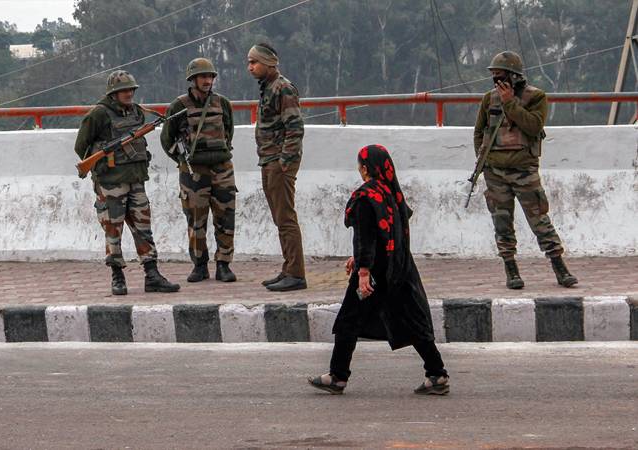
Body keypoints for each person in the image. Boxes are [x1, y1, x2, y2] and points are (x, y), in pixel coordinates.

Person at [308, 144, 449, 396]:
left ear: (366, 168)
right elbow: (387, 234)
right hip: (398, 269)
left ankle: (338, 376)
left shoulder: (366, 197)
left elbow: (366, 236)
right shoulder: (392, 194)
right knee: (412, 321)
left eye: (360, 166)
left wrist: (363, 270)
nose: (360, 170)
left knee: (348, 321)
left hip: (373, 274)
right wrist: (359, 258)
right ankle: (437, 374)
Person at [474, 51, 578, 290]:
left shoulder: (536, 97)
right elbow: (479, 131)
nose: (497, 81)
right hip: (495, 172)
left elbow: (533, 126)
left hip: (524, 171)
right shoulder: (488, 99)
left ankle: (559, 268)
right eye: (494, 76)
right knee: (502, 223)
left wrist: (510, 101)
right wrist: (483, 158)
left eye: (501, 75)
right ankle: (511, 271)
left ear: (514, 76)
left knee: (540, 221)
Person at [74, 70, 180, 295]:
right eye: (124, 90)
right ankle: (117, 276)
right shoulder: (98, 115)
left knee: (144, 227)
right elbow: (81, 147)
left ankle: (152, 275)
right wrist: (104, 156)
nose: (129, 93)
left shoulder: (137, 113)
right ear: (113, 93)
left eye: (131, 89)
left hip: (136, 180)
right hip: (111, 183)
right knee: (113, 229)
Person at [160, 57, 237, 283]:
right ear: (192, 79)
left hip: (222, 169)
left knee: (226, 218)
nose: (207, 80)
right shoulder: (179, 106)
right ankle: (200, 265)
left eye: (210, 76)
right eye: (203, 76)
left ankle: (223, 264)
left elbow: (228, 132)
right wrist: (184, 159)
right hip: (193, 172)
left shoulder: (222, 103)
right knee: (196, 220)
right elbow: (167, 139)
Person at [247, 43, 307, 292]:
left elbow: (295, 128)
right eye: (249, 62)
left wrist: (284, 162)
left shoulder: (283, 88)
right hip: (269, 159)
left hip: (279, 163)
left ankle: (296, 273)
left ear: (269, 63)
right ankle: (288, 268)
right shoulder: (269, 87)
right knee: (279, 218)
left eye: (254, 62)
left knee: (286, 218)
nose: (250, 67)